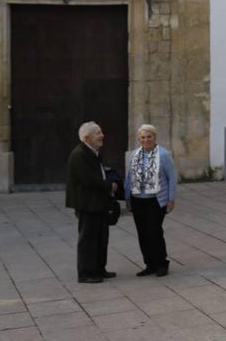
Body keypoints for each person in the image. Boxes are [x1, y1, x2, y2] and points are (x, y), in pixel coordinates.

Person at [65, 121, 117, 284]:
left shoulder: (94, 152)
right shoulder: (79, 154)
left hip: (98, 202)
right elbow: (87, 179)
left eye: (101, 132)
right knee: (88, 239)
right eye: (98, 133)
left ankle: (99, 268)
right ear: (87, 137)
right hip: (87, 203)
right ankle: (86, 273)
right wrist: (110, 185)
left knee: (101, 237)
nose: (102, 136)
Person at [124, 124, 178, 277]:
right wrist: (128, 198)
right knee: (142, 233)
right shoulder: (134, 155)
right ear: (139, 139)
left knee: (154, 231)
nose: (146, 140)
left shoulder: (163, 154)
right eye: (142, 137)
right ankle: (149, 264)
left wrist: (171, 199)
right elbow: (129, 177)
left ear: (154, 137)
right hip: (137, 199)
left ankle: (162, 263)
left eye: (149, 137)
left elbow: (172, 178)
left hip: (156, 200)